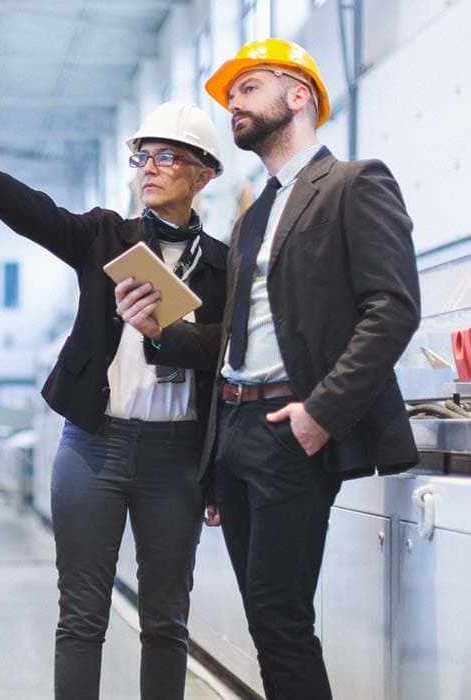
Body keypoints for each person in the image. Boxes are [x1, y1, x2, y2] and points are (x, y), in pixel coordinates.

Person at [0, 101, 227, 700]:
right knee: (82, 617)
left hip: (177, 458)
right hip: (94, 448)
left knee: (167, 622)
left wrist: (215, 475)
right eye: (143, 156)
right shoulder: (106, 236)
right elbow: (37, 215)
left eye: (169, 157)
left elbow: (229, 351)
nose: (150, 168)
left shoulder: (221, 266)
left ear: (204, 174)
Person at [199, 38, 419, 698]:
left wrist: (321, 414)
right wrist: (216, 454)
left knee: (281, 620)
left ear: (299, 96)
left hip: (291, 425)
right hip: (236, 427)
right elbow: (239, 335)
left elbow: (393, 308)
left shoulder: (354, 183)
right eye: (229, 95)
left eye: (248, 87)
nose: (233, 103)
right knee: (268, 622)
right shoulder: (255, 212)